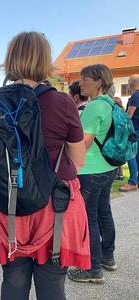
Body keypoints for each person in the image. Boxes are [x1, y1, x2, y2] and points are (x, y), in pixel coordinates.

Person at [0, 32, 90, 300]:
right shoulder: (62, 102)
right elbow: (78, 160)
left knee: (14, 281)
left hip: (10, 205)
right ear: (44, 60)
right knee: (52, 284)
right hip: (54, 205)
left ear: (10, 60)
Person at [68, 64, 118, 284]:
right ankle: (108, 257)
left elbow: (83, 144)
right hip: (108, 166)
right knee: (103, 211)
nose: (80, 83)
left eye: (84, 78)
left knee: (89, 218)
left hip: (90, 170)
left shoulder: (94, 107)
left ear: (98, 82)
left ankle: (93, 269)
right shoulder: (111, 104)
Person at [119, 74, 139, 192]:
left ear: (132, 83)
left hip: (134, 131)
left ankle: (132, 182)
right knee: (137, 156)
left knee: (130, 155)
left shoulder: (135, 96)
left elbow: (129, 115)